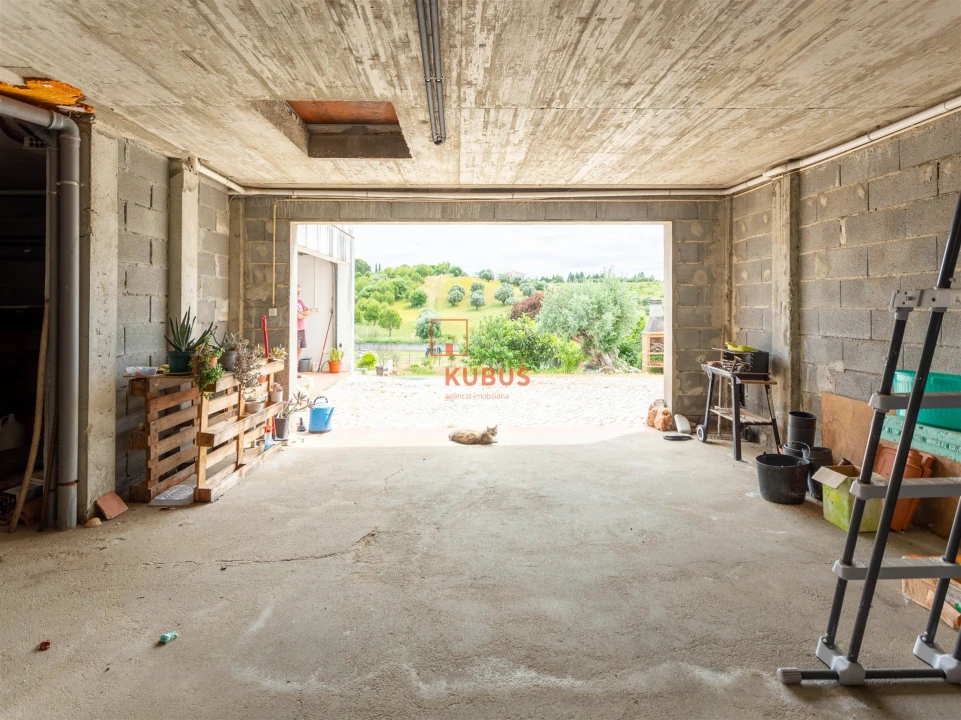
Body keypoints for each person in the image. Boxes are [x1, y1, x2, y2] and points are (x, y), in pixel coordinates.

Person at [297, 285, 311, 362]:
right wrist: (304, 315)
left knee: (300, 350)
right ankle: (293, 368)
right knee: (295, 350)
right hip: (296, 329)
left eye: (299, 292)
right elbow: (298, 317)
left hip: (302, 329)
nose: (298, 293)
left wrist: (301, 313)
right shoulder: (292, 303)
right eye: (297, 291)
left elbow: (309, 312)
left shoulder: (300, 302)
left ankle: (296, 367)